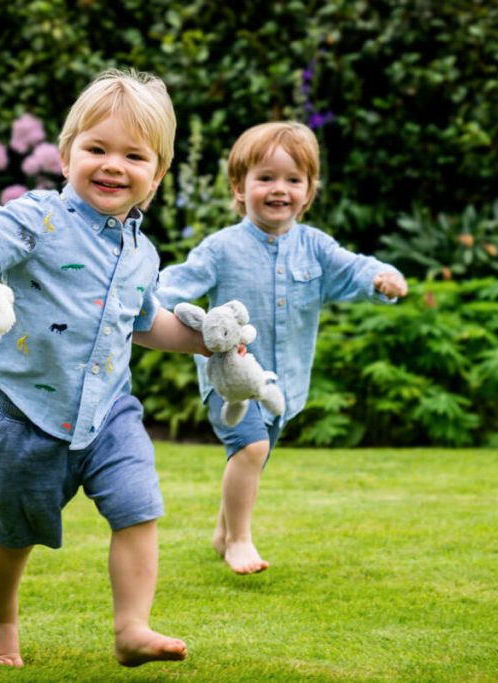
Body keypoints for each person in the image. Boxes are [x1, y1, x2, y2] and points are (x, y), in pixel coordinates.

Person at [0, 69, 206, 668]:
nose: (112, 165)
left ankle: (132, 627)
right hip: (27, 415)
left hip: (110, 414)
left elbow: (146, 323)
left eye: (134, 155)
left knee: (138, 508)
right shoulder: (41, 216)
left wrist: (207, 345)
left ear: (156, 175)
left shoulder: (142, 252)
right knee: (12, 536)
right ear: (66, 153)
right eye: (96, 149)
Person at [157, 121, 407, 575]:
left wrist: (382, 279)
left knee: (255, 455)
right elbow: (173, 285)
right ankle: (238, 541)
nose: (280, 190)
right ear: (239, 186)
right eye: (266, 178)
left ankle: (222, 531)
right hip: (230, 381)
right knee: (250, 448)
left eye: (293, 180)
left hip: (284, 383)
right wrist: (146, 305)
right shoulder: (220, 249)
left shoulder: (315, 248)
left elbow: (355, 269)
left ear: (309, 191)